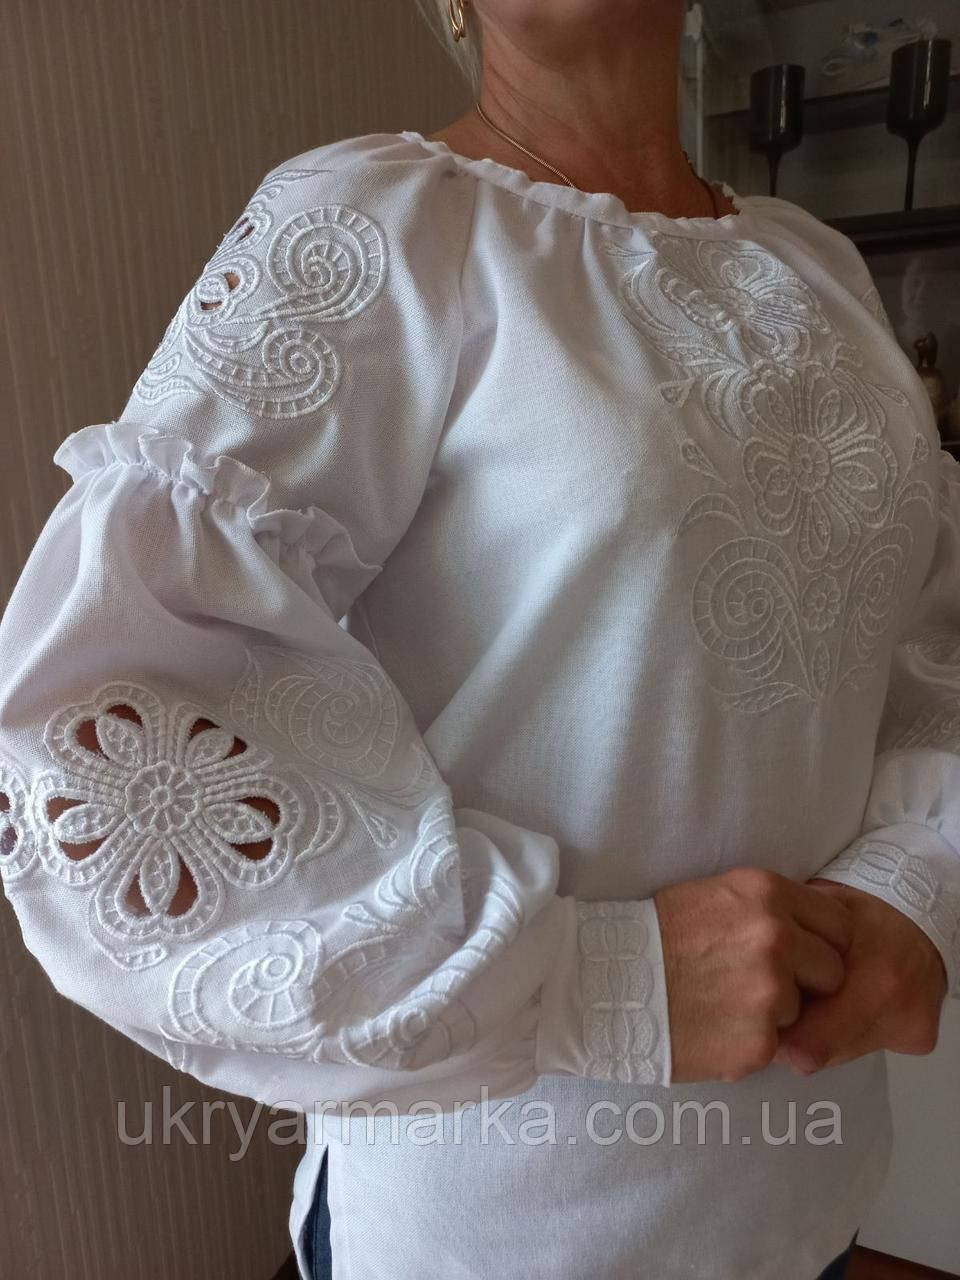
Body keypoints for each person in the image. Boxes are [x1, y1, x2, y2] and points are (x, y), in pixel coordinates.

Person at [0, 0, 955, 1276]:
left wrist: (914, 880)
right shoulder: (380, 225)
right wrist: (597, 978)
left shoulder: (816, 266)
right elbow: (102, 728)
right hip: (511, 1216)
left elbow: (931, 629)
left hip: (805, 1178)